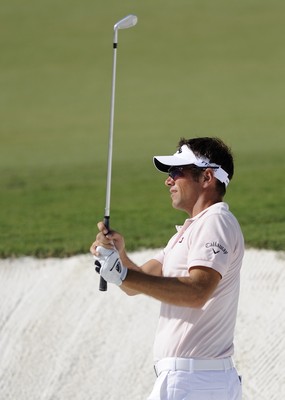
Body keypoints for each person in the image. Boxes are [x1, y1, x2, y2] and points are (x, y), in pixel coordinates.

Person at [90, 137, 244, 400]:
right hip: (196, 381)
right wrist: (119, 255)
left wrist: (123, 273)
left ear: (207, 177)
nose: (168, 180)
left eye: (176, 172)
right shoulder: (190, 230)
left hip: (194, 382)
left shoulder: (215, 221)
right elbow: (135, 284)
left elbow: (197, 291)